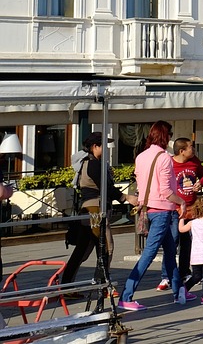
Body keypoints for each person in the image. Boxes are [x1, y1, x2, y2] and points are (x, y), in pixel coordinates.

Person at [118, 121, 186, 311]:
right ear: (165, 136)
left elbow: (140, 182)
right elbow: (165, 190)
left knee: (171, 252)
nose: (171, 137)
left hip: (147, 207)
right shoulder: (164, 158)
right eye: (170, 134)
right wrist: (181, 201)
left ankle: (178, 290)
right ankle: (126, 295)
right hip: (162, 209)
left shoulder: (141, 156)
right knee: (149, 253)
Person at [62, 132, 139, 287]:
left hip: (88, 209)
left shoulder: (88, 163)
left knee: (83, 249)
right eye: (104, 145)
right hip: (95, 209)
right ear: (95, 146)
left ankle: (66, 283)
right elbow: (106, 187)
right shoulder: (94, 164)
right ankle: (102, 284)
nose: (107, 149)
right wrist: (126, 198)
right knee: (106, 247)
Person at [170, 137, 203, 286]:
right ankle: (167, 275)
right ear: (182, 151)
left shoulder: (194, 161)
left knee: (187, 242)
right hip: (174, 207)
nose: (194, 149)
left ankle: (184, 271)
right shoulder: (170, 163)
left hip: (191, 207)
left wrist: (200, 183)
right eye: (191, 147)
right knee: (172, 241)